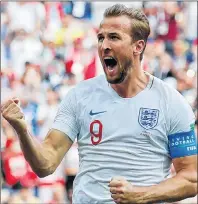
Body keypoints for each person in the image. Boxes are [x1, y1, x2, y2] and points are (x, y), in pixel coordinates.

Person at [1, 4, 197, 204]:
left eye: (114, 37)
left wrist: (141, 195)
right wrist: (22, 130)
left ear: (138, 46)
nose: (104, 46)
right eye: (101, 38)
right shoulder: (79, 96)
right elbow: (45, 165)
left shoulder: (171, 102)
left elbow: (191, 180)